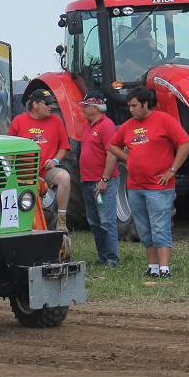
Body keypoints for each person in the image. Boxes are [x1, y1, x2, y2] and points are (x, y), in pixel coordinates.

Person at [104, 86, 189, 279]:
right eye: (129, 106)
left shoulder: (164, 120)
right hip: (135, 187)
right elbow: (112, 145)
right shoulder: (128, 126)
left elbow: (184, 143)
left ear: (145, 104)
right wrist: (128, 159)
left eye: (134, 106)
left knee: (160, 226)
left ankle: (164, 268)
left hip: (159, 187)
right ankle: (152, 267)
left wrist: (172, 170)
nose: (131, 110)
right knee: (144, 228)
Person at [9, 88, 71, 231]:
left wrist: (55, 160)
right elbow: (10, 149)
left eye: (51, 103)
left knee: (64, 177)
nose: (50, 106)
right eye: (47, 103)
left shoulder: (56, 121)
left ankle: (61, 221)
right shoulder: (18, 121)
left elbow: (64, 147)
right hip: (23, 172)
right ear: (35, 104)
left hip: (46, 170)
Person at [79, 91, 120, 268]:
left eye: (85, 106)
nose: (83, 110)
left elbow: (112, 153)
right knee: (94, 221)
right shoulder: (88, 125)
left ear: (94, 107)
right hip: (88, 180)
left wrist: (104, 179)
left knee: (106, 220)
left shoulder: (106, 125)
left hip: (101, 182)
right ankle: (103, 256)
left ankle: (112, 258)